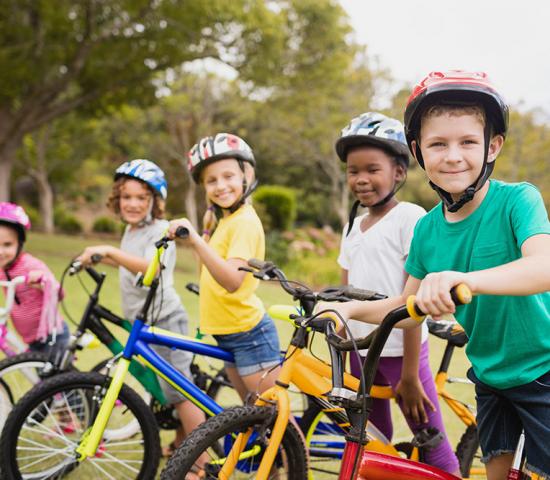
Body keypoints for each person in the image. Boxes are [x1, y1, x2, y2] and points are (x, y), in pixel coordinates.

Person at [322, 71, 550, 480]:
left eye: (467, 142)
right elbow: (405, 310)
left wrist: (465, 279)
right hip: (490, 376)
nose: (452, 155)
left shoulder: (518, 200)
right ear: (418, 151)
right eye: (438, 144)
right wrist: (348, 308)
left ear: (492, 146)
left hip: (543, 369)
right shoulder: (427, 229)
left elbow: (544, 268)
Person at [335, 112, 460, 474]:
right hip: (363, 352)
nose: (361, 179)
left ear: (399, 173)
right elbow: (346, 297)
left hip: (401, 352)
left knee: (428, 434)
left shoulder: (409, 217)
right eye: (353, 171)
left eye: (372, 169)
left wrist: (408, 373)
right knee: (372, 435)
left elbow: (413, 303)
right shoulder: (353, 227)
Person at [76, 159, 205, 457]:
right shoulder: (132, 231)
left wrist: (108, 251)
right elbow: (128, 260)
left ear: (154, 201)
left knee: (180, 392)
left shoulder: (161, 230)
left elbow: (152, 267)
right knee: (166, 390)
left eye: (141, 198)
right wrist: (97, 257)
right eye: (126, 197)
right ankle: (178, 444)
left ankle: (202, 462)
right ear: (117, 199)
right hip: (145, 322)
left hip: (166, 320)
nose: (132, 204)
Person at [167, 133, 281, 402]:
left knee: (272, 419)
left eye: (228, 176)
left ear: (247, 175)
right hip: (228, 333)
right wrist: (206, 232)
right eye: (211, 180)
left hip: (248, 334)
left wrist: (195, 240)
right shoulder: (226, 221)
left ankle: (298, 447)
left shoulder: (244, 222)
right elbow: (207, 272)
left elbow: (232, 281)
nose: (220, 186)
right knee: (250, 415)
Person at [0, 202, 70, 357]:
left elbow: (60, 293)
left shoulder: (31, 265)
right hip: (31, 338)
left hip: (52, 335)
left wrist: (43, 282)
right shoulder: (2, 268)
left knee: (57, 381)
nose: (1, 252)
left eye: (7, 245)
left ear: (20, 243)